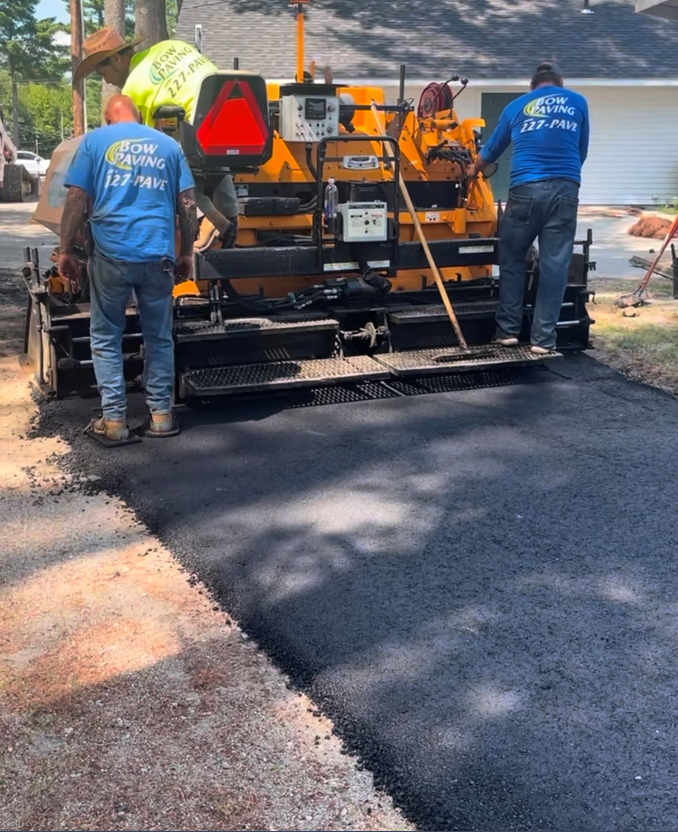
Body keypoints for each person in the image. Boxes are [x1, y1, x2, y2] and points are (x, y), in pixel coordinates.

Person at [58, 94, 197, 443]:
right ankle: (162, 417)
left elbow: (76, 198)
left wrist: (65, 250)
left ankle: (116, 422)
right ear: (139, 116)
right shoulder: (169, 146)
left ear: (108, 118)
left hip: (111, 254)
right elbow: (188, 204)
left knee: (106, 337)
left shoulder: (94, 141)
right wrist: (187, 252)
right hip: (158, 254)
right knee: (159, 337)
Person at [73, 27, 237, 252]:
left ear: (116, 58)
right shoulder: (171, 46)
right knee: (211, 156)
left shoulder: (133, 89)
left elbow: (143, 147)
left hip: (199, 131)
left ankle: (209, 219)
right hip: (234, 118)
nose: (108, 82)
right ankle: (231, 215)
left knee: (163, 165)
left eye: (104, 74)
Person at [467, 61, 589, 354]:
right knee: (555, 265)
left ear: (532, 85)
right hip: (565, 188)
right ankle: (543, 341)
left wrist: (473, 170)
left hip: (525, 189)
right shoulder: (578, 102)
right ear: (560, 82)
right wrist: (563, 180)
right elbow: (580, 150)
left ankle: (507, 332)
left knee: (511, 257)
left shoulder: (517, 105)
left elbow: (491, 150)